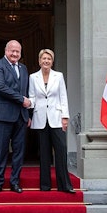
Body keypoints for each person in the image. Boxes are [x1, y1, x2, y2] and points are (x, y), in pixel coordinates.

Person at [28, 48, 73, 193]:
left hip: (56, 118)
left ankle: (64, 185)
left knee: (61, 150)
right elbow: (32, 97)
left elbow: (63, 97)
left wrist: (65, 117)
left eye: (49, 59)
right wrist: (28, 104)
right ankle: (45, 185)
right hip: (40, 118)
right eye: (43, 59)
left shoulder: (58, 76)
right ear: (39, 61)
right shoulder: (33, 77)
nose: (46, 61)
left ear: (52, 61)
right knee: (44, 153)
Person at [0, 39, 31, 194]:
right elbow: (0, 87)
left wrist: (27, 114)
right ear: (5, 50)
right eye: (11, 50)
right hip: (3, 116)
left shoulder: (24, 68)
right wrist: (21, 100)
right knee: (1, 151)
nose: (14, 53)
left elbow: (25, 91)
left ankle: (15, 182)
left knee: (19, 152)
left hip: (21, 116)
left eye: (17, 51)